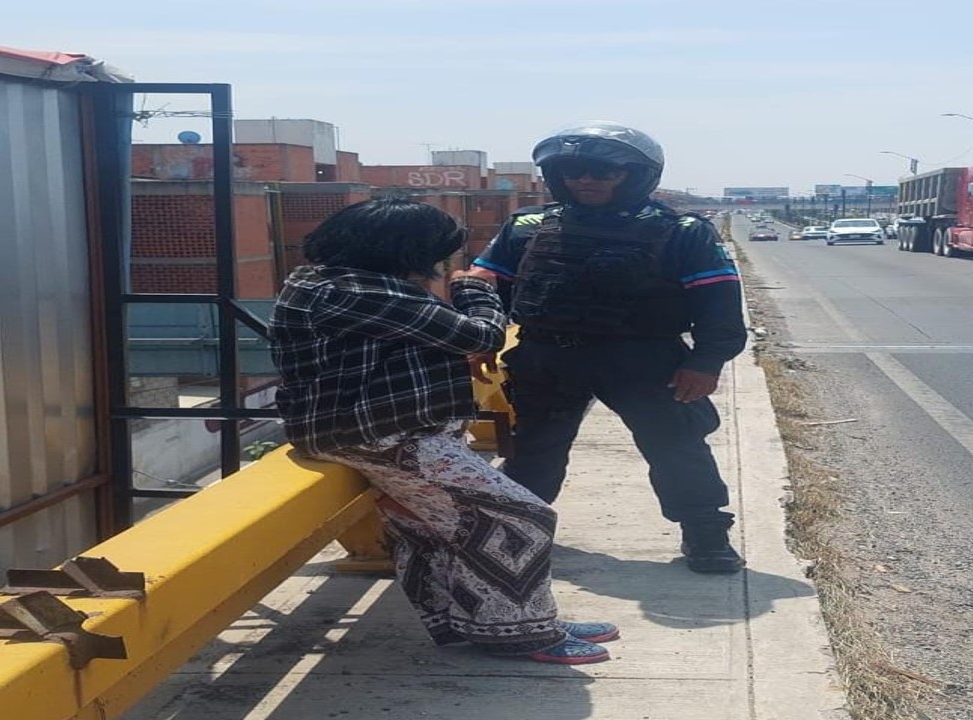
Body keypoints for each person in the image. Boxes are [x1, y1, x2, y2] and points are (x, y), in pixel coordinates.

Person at [269, 197, 618, 664]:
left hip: (383, 429)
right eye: (439, 252)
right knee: (520, 518)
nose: (442, 262)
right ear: (401, 249)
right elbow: (477, 336)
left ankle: (496, 619)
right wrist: (476, 291)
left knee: (441, 526)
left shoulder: (341, 284)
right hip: (382, 434)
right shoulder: (354, 292)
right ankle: (521, 633)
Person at [467, 123, 748, 574]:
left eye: (604, 170)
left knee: (676, 445)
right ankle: (520, 533)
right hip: (548, 357)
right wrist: (479, 338)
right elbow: (484, 285)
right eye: (574, 169)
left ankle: (706, 532)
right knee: (535, 449)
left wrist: (708, 360)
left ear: (634, 174)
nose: (587, 179)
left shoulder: (682, 232)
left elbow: (718, 302)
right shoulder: (527, 226)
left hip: (643, 358)